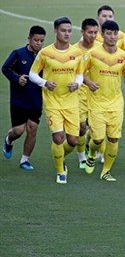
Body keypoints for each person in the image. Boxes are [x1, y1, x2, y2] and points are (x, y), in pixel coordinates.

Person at [29, 17, 84, 184]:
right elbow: (32, 74)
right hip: (53, 102)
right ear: (55, 31)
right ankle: (61, 171)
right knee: (58, 137)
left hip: (71, 102)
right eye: (63, 30)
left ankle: (58, 156)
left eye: (69, 31)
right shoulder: (45, 53)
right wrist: (44, 83)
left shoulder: (77, 53)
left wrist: (77, 83)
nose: (67, 34)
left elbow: (80, 74)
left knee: (73, 141)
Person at [82, 20, 125, 181]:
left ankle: (106, 171)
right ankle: (91, 153)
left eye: (115, 33)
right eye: (109, 33)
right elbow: (79, 73)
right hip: (97, 101)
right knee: (97, 139)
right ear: (102, 35)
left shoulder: (123, 56)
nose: (112, 36)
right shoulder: (92, 54)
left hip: (116, 102)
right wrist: (89, 83)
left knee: (114, 138)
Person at [2, 26, 46, 170]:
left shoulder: (44, 56)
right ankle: (8, 139)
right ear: (29, 39)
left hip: (36, 100)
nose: (39, 43)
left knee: (32, 129)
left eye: (41, 41)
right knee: (18, 131)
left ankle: (25, 160)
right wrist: (17, 78)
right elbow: (5, 68)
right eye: (36, 40)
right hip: (19, 100)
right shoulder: (18, 54)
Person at [74, 18, 100, 172]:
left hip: (97, 94)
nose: (93, 35)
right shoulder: (74, 51)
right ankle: (81, 156)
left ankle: (93, 149)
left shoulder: (101, 48)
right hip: (80, 94)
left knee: (97, 129)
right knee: (81, 127)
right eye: (90, 32)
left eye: (95, 32)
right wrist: (87, 82)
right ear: (82, 32)